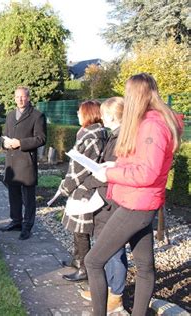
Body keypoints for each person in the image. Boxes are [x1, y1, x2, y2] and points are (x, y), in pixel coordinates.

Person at [85, 73, 183, 316]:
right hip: (140, 202)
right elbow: (141, 164)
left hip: (136, 204)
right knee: (145, 266)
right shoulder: (152, 121)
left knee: (93, 261)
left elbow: (147, 174)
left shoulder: (152, 125)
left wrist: (110, 175)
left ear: (136, 95)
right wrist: (114, 167)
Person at [79, 97, 127, 314]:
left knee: (114, 250)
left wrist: (88, 181)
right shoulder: (112, 135)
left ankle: (116, 295)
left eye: (104, 113)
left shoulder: (121, 139)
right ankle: (104, 288)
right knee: (103, 246)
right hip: (104, 199)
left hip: (113, 201)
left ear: (111, 115)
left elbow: (114, 172)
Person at [59, 100, 107, 282]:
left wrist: (68, 185)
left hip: (85, 189)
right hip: (80, 186)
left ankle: (84, 269)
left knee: (81, 229)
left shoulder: (93, 137)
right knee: (76, 228)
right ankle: (77, 260)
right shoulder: (89, 134)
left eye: (80, 112)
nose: (77, 115)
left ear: (88, 114)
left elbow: (83, 167)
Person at [0, 87, 47, 240]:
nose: (20, 99)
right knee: (13, 195)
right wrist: (4, 143)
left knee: (28, 197)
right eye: (17, 97)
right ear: (14, 98)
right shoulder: (10, 115)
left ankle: (27, 225)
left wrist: (20, 143)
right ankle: (16, 221)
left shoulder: (37, 115)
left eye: (23, 97)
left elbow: (41, 139)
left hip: (26, 161)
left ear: (28, 98)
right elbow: (4, 135)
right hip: (11, 163)